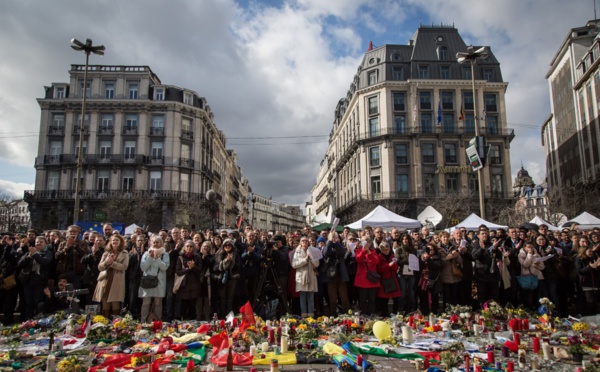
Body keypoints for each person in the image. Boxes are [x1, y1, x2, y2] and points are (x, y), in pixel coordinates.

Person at [93, 234, 129, 318]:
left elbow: (124, 267)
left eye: (117, 240)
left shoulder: (124, 253)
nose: (115, 242)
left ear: (120, 242)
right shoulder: (106, 253)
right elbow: (100, 267)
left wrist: (112, 263)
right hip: (106, 279)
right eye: (113, 240)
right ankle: (105, 322)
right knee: (105, 302)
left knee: (115, 303)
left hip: (116, 280)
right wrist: (106, 262)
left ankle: (115, 323)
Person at [17, 236, 53, 319]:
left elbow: (44, 262)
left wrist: (35, 254)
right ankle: (28, 321)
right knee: (28, 303)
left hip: (40, 282)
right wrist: (29, 256)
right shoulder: (29, 253)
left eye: (41, 242)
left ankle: (38, 321)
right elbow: (20, 264)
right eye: (37, 242)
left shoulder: (48, 253)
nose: (38, 243)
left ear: (45, 244)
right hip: (28, 281)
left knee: (38, 303)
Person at [139, 235, 169, 322]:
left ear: (161, 244)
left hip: (159, 281)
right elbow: (143, 268)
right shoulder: (146, 254)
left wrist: (157, 259)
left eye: (157, 242)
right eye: (154, 242)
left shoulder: (165, 255)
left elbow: (164, 267)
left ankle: (158, 321)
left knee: (158, 303)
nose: (155, 244)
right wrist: (150, 258)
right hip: (147, 281)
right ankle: (143, 321)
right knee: (146, 303)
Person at [472, 226, 501, 308]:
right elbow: (474, 256)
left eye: (486, 233)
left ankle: (495, 313)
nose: (484, 235)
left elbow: (499, 256)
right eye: (482, 234)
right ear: (478, 235)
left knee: (494, 296)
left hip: (492, 274)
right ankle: (482, 312)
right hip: (481, 275)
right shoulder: (475, 244)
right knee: (482, 296)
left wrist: (495, 249)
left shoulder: (490, 243)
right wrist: (481, 249)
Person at [291, 236, 320, 317]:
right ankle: (304, 317)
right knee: (302, 298)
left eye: (306, 241)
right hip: (301, 278)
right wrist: (305, 260)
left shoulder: (312, 250)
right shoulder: (297, 251)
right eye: (303, 241)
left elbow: (317, 264)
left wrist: (311, 258)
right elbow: (294, 265)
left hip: (311, 277)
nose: (304, 242)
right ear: (300, 242)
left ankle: (311, 317)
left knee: (311, 298)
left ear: (308, 242)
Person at [322, 231, 349, 316]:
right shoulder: (327, 246)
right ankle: (332, 315)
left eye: (335, 237)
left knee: (344, 297)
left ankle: (347, 314)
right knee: (332, 299)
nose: (334, 238)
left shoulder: (340, 246)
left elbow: (342, 253)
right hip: (331, 276)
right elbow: (326, 253)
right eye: (332, 237)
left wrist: (336, 242)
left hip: (341, 275)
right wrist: (330, 241)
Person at [175, 240, 202, 320]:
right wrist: (188, 269)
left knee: (192, 306)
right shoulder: (180, 257)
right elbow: (178, 272)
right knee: (184, 305)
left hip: (194, 285)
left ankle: (192, 322)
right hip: (184, 285)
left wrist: (193, 267)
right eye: (187, 246)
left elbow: (200, 271)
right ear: (184, 247)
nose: (189, 248)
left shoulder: (197, 257)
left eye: (191, 246)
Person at [213, 238, 241, 317]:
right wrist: (224, 262)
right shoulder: (218, 254)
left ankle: (229, 316)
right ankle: (222, 316)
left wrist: (231, 261)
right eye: (225, 245)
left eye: (229, 245)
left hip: (232, 278)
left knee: (230, 299)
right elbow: (214, 267)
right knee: (222, 299)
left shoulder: (236, 254)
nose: (227, 246)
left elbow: (239, 267)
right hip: (222, 278)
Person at [55, 225, 88, 289]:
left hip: (77, 272)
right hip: (64, 271)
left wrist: (75, 245)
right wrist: (66, 248)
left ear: (78, 233)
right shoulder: (62, 244)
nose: (73, 233)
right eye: (71, 232)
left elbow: (84, 255)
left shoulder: (83, 243)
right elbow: (57, 256)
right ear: (67, 233)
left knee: (75, 291)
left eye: (75, 232)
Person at [354, 236, 380, 315]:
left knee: (372, 299)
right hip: (362, 280)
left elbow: (376, 261)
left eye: (368, 241)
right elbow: (358, 259)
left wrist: (368, 252)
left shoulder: (373, 251)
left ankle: (371, 314)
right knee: (362, 299)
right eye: (364, 242)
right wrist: (363, 250)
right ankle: (363, 315)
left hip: (372, 279)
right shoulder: (358, 250)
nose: (366, 243)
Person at [375, 241, 400, 317]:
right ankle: (385, 314)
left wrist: (392, 265)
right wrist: (388, 265)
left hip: (393, 279)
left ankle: (395, 313)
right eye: (384, 250)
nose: (386, 251)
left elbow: (396, 268)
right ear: (381, 249)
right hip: (384, 280)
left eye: (387, 249)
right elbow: (379, 269)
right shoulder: (379, 257)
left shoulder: (393, 256)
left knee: (396, 297)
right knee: (384, 299)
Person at [518, 241, 544, 310]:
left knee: (538, 297)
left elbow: (542, 267)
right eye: (529, 247)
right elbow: (525, 265)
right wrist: (529, 255)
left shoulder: (537, 254)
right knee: (528, 297)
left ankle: (537, 310)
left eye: (532, 247)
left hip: (537, 277)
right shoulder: (521, 255)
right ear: (524, 247)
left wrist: (537, 264)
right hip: (527, 278)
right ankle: (528, 310)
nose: (531, 249)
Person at [575, 244, 600, 315]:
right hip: (585, 283)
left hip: (594, 283)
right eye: (589, 251)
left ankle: (594, 315)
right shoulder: (579, 259)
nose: (591, 253)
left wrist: (597, 266)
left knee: (594, 301)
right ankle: (588, 314)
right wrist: (590, 266)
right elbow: (580, 271)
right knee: (590, 300)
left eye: (591, 251)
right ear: (584, 251)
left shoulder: (592, 259)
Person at [418, 243, 443, 315]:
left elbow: (436, 266)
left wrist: (428, 259)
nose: (429, 251)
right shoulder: (422, 257)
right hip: (423, 281)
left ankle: (434, 313)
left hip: (433, 280)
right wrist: (423, 260)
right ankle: (425, 313)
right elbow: (418, 268)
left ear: (434, 250)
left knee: (434, 298)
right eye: (428, 249)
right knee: (423, 298)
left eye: (431, 249)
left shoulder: (437, 257)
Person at [81, 235, 105, 306]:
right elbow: (82, 261)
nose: (98, 242)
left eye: (100, 240)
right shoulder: (90, 251)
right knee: (88, 298)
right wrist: (92, 254)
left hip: (99, 277)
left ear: (104, 241)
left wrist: (97, 252)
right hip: (89, 278)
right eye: (97, 240)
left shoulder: (106, 251)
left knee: (98, 298)